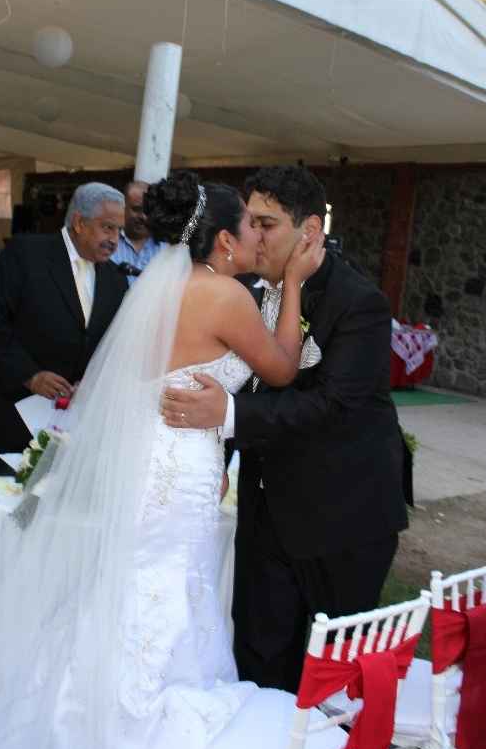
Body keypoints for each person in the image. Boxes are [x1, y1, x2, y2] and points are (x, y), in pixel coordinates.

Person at [0, 172, 325, 749]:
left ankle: (78, 704)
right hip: (177, 471)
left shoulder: (165, 287)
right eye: (248, 229)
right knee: (165, 582)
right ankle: (132, 715)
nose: (256, 239)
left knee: (136, 582)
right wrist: (293, 284)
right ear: (223, 242)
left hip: (161, 458)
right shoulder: (224, 297)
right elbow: (282, 369)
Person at [162, 164, 408, 694]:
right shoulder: (240, 289)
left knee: (331, 680)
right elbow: (239, 379)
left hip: (341, 516)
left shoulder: (358, 303)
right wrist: (221, 459)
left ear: (311, 232)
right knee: (256, 659)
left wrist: (226, 418)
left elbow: (333, 407)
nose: (253, 235)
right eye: (249, 222)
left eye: (267, 224)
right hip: (265, 509)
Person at [0, 182, 128, 451]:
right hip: (8, 417)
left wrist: (90, 383)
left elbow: (111, 346)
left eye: (119, 230)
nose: (114, 239)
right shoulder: (26, 254)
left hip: (71, 432)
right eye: (107, 227)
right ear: (79, 222)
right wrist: (30, 375)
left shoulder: (115, 280)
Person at [111, 180, 165, 282]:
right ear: (122, 207)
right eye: (136, 209)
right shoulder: (109, 243)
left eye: (148, 210)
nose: (143, 217)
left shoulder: (166, 248)